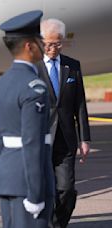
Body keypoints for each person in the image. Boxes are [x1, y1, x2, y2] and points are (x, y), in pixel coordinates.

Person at [0, 10, 55, 228]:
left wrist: (5, 172)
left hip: (7, 179)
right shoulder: (34, 87)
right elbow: (32, 141)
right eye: (40, 41)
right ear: (29, 46)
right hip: (28, 184)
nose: (44, 46)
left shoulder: (1, 84)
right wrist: (36, 192)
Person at [36, 18, 91, 228]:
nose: (52, 49)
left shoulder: (72, 66)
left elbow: (80, 104)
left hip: (66, 138)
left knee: (66, 189)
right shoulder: (33, 68)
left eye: (57, 44)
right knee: (43, 188)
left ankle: (57, 224)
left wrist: (84, 138)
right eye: (48, 44)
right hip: (41, 137)